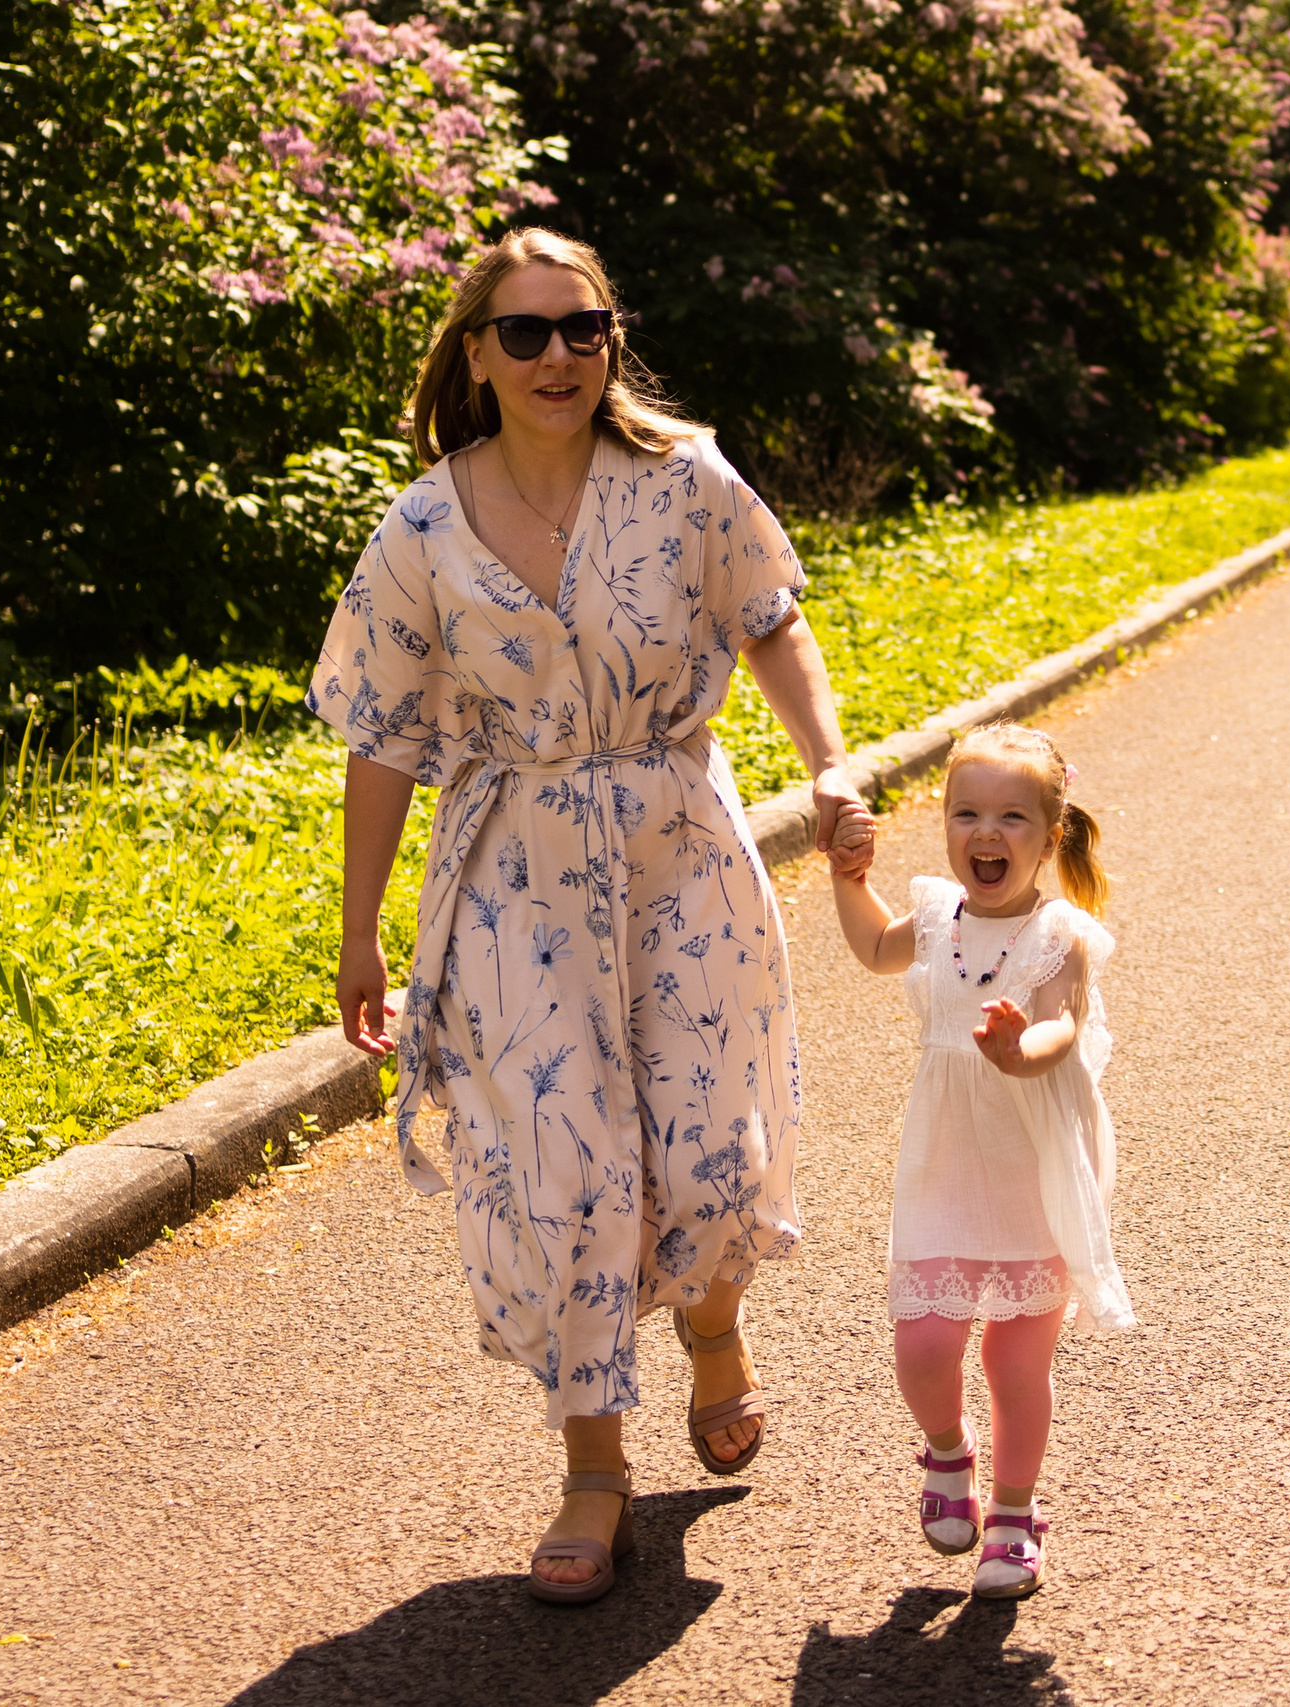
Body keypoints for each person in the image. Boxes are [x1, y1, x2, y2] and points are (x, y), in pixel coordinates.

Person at [310, 228, 864, 1605]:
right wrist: (360, 926)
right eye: (525, 332)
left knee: (707, 1141)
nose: (558, 355)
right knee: (557, 1168)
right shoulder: (422, 526)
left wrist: (828, 762)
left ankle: (716, 1331)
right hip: (514, 866)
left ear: (610, 341)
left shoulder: (685, 478)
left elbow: (771, 616)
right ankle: (594, 1465)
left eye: (584, 327)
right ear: (475, 355)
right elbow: (377, 733)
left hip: (681, 840)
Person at [824, 723, 1135, 1599]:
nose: (985, 834)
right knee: (924, 1341)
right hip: (948, 1164)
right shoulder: (932, 919)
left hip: (1032, 1163)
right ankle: (948, 1450)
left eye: (1010, 818)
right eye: (966, 813)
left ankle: (1012, 1510)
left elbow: (1064, 1028)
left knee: (1013, 1359)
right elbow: (872, 947)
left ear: (1048, 834)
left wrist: (1018, 1047)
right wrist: (851, 882)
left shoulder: (1058, 935)